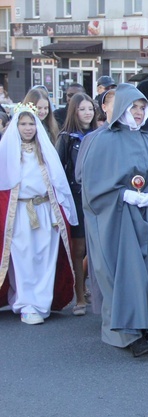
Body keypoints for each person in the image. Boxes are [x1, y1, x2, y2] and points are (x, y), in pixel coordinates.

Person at [78, 84, 148, 357]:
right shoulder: (102, 140)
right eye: (133, 107)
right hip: (117, 218)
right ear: (120, 108)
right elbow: (92, 186)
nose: (139, 112)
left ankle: (142, 325)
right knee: (124, 272)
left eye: (143, 107)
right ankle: (126, 334)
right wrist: (124, 196)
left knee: (145, 272)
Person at [0, 103, 77, 325]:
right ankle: (26, 303)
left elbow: (58, 185)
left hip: (46, 210)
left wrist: (61, 214)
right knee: (24, 259)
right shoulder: (7, 152)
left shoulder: (45, 150)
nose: (27, 128)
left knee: (45, 257)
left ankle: (41, 302)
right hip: (20, 212)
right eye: (23, 124)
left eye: (31, 123)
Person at [55, 92, 99, 317]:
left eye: (90, 108)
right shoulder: (66, 138)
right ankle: (79, 295)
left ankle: (93, 290)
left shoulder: (101, 134)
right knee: (79, 249)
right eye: (82, 109)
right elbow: (57, 171)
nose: (87, 113)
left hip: (99, 197)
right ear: (74, 111)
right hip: (76, 198)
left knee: (97, 248)